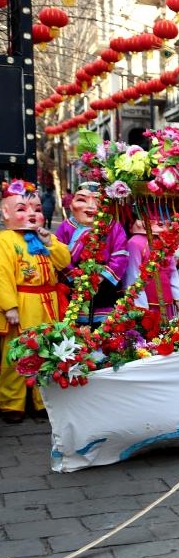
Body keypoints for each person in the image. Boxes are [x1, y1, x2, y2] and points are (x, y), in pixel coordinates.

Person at [0, 180, 71, 423]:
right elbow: (2, 275)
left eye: (37, 209)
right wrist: (9, 306)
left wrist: (50, 242)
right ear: (6, 212)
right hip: (23, 302)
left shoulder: (43, 238)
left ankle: (43, 400)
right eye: (22, 209)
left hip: (48, 303)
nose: (31, 214)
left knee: (47, 350)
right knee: (16, 353)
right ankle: (12, 402)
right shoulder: (5, 240)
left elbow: (64, 261)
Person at [55, 182, 130, 328]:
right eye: (82, 200)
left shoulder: (113, 226)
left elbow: (120, 254)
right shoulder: (66, 227)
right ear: (71, 205)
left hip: (105, 284)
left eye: (97, 201)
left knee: (105, 327)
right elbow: (58, 253)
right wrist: (74, 276)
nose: (90, 206)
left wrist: (102, 277)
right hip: (73, 282)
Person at [123, 213, 179, 330]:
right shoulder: (135, 242)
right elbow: (133, 274)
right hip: (147, 302)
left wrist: (177, 296)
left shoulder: (165, 240)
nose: (159, 220)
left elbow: (172, 270)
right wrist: (141, 307)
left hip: (167, 301)